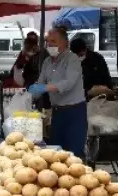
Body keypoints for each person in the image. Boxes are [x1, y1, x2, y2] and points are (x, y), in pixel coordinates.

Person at [30, 26, 88, 157]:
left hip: (75, 112)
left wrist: (46, 87)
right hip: (57, 112)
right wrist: (29, 95)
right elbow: (40, 83)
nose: (49, 45)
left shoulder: (72, 59)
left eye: (54, 42)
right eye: (47, 42)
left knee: (74, 153)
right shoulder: (47, 62)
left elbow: (69, 82)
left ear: (65, 43)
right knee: (56, 152)